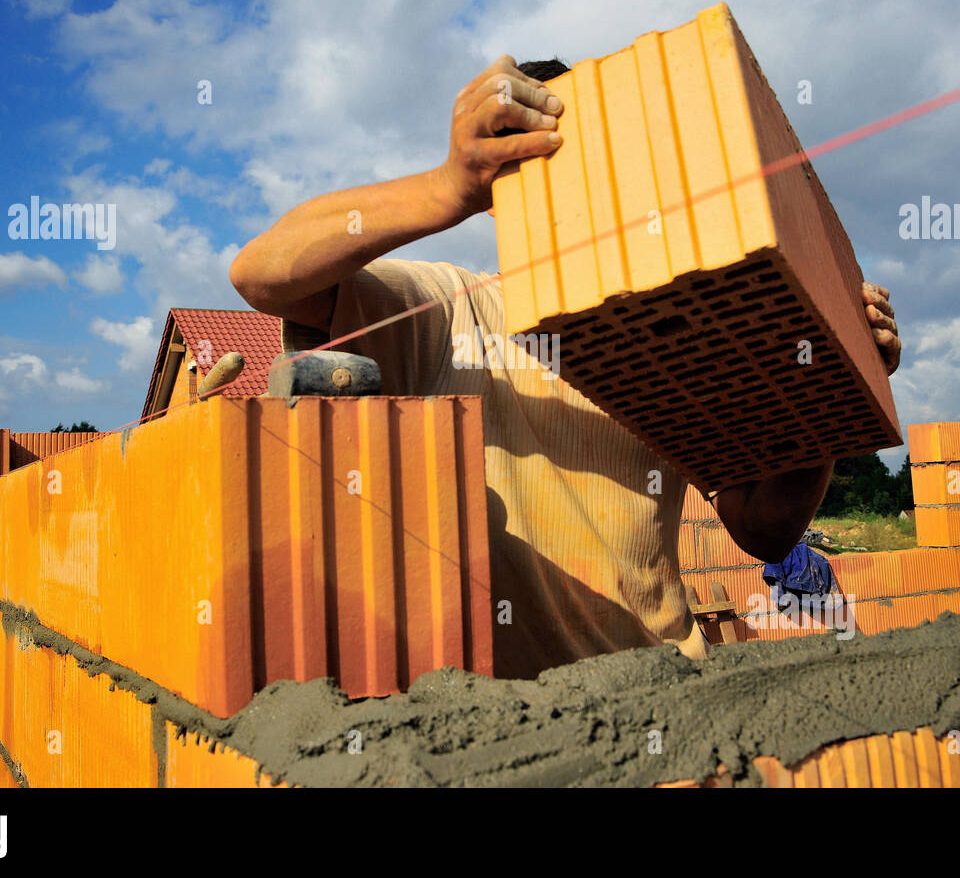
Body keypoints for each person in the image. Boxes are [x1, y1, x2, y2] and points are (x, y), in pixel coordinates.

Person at [230, 56, 902, 679]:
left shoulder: (673, 333)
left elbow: (764, 529)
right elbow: (263, 273)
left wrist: (830, 395)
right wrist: (446, 187)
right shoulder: (448, 312)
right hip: (525, 731)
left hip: (668, 692)